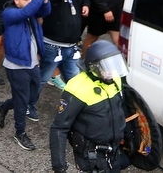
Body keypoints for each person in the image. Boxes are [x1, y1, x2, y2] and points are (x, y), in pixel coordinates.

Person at [49, 41, 130, 173]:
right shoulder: (77, 88)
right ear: (94, 67)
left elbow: (121, 109)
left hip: (114, 150)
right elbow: (59, 128)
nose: (112, 72)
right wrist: (59, 167)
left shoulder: (114, 79)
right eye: (107, 67)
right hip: (92, 156)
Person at [0, 0, 55, 152]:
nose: (29, 2)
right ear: (16, 0)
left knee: (30, 96)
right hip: (16, 65)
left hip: (32, 63)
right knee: (22, 101)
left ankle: (3, 106)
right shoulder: (9, 13)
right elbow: (28, 11)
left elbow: (45, 11)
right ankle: (20, 132)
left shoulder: (29, 9)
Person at [40, 0, 95, 90]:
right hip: (54, 47)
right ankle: (23, 106)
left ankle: (77, 111)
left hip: (71, 47)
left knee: (76, 84)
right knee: (40, 81)